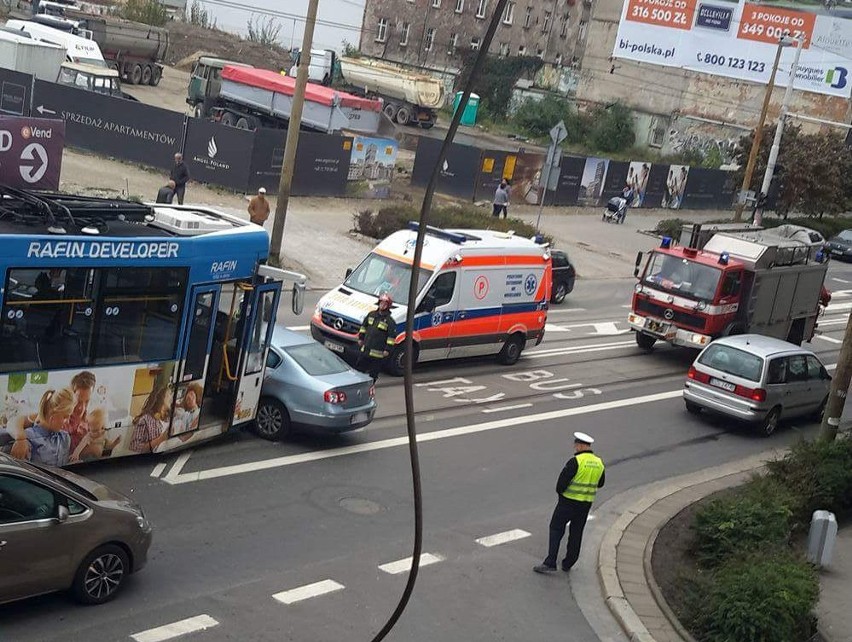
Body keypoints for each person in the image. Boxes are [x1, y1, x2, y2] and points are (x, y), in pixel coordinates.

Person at [534, 431, 606, 574]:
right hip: (585, 504)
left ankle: (550, 562)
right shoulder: (599, 463)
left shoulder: (575, 462)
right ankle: (569, 562)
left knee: (556, 528)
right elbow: (601, 483)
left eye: (576, 445)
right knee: (576, 532)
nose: (575, 448)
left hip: (567, 502)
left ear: (579, 446)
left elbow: (560, 485)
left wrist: (563, 495)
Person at [357, 292, 396, 381]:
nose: (382, 305)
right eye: (381, 303)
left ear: (388, 306)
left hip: (377, 354)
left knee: (373, 374)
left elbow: (391, 338)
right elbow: (363, 327)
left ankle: (370, 388)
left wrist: (387, 350)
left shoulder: (390, 321)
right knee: (359, 370)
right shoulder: (371, 315)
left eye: (385, 304)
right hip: (365, 349)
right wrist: (361, 338)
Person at [129, 386, 170, 454]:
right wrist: (160, 439)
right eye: (168, 395)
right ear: (162, 399)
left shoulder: (169, 418)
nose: (171, 398)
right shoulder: (146, 419)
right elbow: (134, 446)